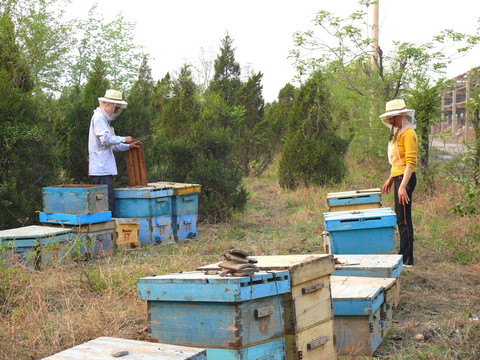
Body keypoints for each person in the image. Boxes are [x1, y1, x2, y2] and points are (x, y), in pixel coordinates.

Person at [88, 89, 141, 215]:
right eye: (116, 107)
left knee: (107, 203)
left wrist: (128, 146)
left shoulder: (104, 120)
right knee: (106, 206)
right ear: (109, 104)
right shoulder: (99, 117)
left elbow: (111, 146)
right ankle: (107, 234)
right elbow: (105, 140)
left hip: (104, 168)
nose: (117, 111)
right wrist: (124, 138)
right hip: (101, 169)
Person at [379, 99, 418, 266]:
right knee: (401, 219)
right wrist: (390, 179)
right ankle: (404, 255)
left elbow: (410, 162)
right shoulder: (398, 132)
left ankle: (407, 259)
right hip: (399, 178)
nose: (390, 121)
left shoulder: (409, 134)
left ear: (401, 116)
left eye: (392, 118)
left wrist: (402, 185)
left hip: (405, 180)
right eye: (389, 118)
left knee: (404, 220)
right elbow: (397, 161)